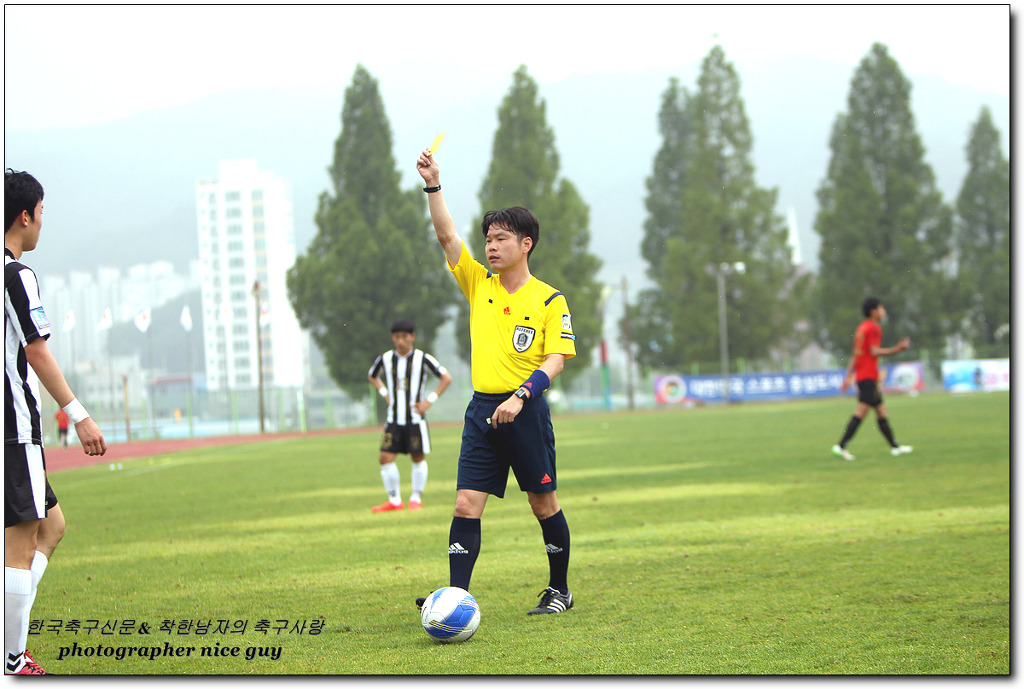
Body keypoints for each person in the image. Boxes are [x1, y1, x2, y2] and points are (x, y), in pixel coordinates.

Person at [414, 147, 578, 615]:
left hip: (526, 412)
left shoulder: (550, 300)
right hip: (482, 412)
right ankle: (455, 597)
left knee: (543, 504)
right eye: (488, 238)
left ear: (525, 244)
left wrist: (522, 395)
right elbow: (447, 236)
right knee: (466, 504)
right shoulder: (478, 284)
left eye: (501, 238)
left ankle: (560, 590)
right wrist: (433, 184)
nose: (490, 246)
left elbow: (556, 360)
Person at [4, 169, 107, 675]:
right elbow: (37, 350)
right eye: (42, 212)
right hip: (13, 427)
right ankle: (12, 658)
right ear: (25, 216)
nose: (43, 222)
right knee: (20, 544)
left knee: (52, 526)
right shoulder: (16, 275)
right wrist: (79, 415)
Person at [367, 318, 452, 512]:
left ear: (412, 337)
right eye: (397, 337)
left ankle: (415, 498)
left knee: (417, 457)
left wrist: (429, 400)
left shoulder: (423, 358)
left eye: (404, 336)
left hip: (415, 418)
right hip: (393, 418)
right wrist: (385, 393)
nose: (400, 341)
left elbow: (446, 378)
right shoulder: (386, 358)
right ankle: (394, 500)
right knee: (385, 457)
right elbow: (372, 375)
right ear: (392, 337)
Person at [831, 297, 913, 461]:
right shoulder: (873, 328)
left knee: (881, 411)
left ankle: (895, 447)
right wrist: (898, 349)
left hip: (864, 377)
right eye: (881, 309)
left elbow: (855, 355)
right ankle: (841, 446)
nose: (883, 312)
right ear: (873, 311)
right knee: (860, 412)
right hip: (868, 377)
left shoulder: (861, 328)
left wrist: (848, 377)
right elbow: (874, 351)